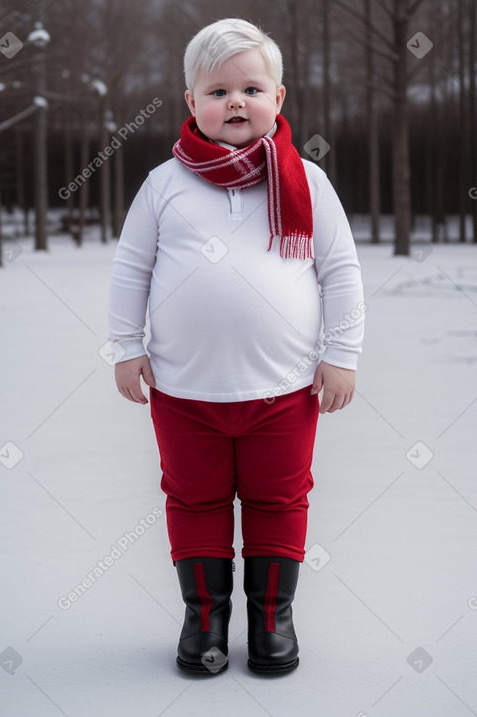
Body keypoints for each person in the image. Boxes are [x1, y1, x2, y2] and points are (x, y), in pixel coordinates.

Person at [107, 18, 365, 675]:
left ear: (278, 99)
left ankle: (272, 616)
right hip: (184, 390)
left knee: (281, 497)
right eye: (217, 90)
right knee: (193, 498)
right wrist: (124, 345)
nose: (236, 101)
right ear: (192, 104)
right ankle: (205, 618)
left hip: (284, 390)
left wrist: (343, 353)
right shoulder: (166, 185)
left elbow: (339, 271)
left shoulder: (306, 180)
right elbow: (131, 269)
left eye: (252, 87)